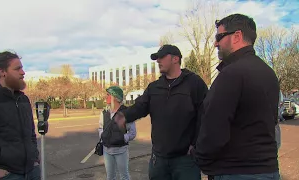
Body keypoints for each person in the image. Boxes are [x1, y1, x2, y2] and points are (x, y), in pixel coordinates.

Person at [195, 14, 280, 180]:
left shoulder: (231, 73)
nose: (215, 43)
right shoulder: (269, 73)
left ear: (237, 36)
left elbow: (214, 127)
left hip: (235, 171)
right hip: (268, 171)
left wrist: (201, 159)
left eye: (219, 37)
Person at [114, 44, 208, 180]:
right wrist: (124, 116)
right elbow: (140, 107)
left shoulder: (194, 83)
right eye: (157, 58)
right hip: (159, 160)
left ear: (175, 59)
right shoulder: (154, 87)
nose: (158, 61)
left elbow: (205, 114)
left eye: (162, 57)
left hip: (185, 160)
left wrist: (196, 144)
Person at [0, 51, 40, 180]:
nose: (23, 72)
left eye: (22, 68)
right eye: (18, 69)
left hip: (31, 171)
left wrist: (35, 159)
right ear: (2, 72)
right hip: (5, 175)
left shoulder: (23, 100)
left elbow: (31, 135)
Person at [98, 86, 136, 180]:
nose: (106, 97)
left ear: (115, 97)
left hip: (121, 150)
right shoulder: (104, 113)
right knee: (110, 177)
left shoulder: (126, 113)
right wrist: (103, 136)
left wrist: (122, 138)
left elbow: (132, 132)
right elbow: (100, 127)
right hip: (107, 150)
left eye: (108, 95)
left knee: (124, 176)